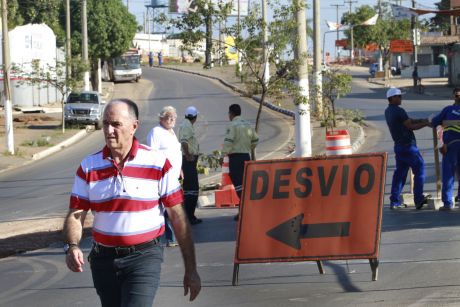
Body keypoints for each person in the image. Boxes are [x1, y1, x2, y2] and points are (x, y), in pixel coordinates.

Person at [63, 99, 201, 306]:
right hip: (103, 260)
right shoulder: (88, 166)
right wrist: (72, 245)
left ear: (134, 126)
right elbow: (76, 213)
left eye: (116, 124)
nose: (109, 130)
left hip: (144, 258)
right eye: (106, 123)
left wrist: (191, 269)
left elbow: (178, 217)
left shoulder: (156, 163)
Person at [384, 87, 431, 210]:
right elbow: (411, 126)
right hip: (408, 146)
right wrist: (426, 123)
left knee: (399, 174)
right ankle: (418, 199)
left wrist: (423, 120)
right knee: (420, 171)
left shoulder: (388, 111)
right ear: (392, 98)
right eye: (398, 96)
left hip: (399, 147)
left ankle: (394, 202)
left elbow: (408, 120)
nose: (401, 98)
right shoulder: (399, 110)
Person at [146, 106, 181, 247]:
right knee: (166, 207)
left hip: (174, 176)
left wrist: (180, 169)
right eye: (168, 117)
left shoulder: (171, 132)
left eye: (173, 117)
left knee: (172, 205)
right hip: (162, 176)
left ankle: (172, 236)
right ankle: (169, 238)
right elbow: (152, 154)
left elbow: (175, 153)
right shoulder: (156, 132)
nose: (172, 119)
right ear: (161, 118)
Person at [222, 104, 259, 221]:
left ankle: (244, 211)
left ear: (231, 113)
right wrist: (249, 147)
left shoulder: (232, 125)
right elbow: (255, 139)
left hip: (235, 158)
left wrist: (223, 155)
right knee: (245, 185)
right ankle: (243, 211)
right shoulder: (247, 124)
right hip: (246, 157)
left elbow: (228, 141)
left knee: (239, 186)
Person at [431, 88, 460, 211]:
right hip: (450, 146)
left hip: (451, 146)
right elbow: (435, 122)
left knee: (449, 175)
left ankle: (448, 203)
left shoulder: (447, 110)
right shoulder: (447, 110)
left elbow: (434, 122)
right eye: (458, 95)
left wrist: (444, 122)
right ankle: (448, 202)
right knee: (449, 175)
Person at [178, 106, 201, 225]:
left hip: (189, 160)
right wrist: (188, 155)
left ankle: (190, 215)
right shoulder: (187, 126)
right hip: (188, 160)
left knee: (190, 188)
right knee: (192, 188)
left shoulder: (186, 124)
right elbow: (184, 142)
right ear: (195, 117)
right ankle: (189, 216)